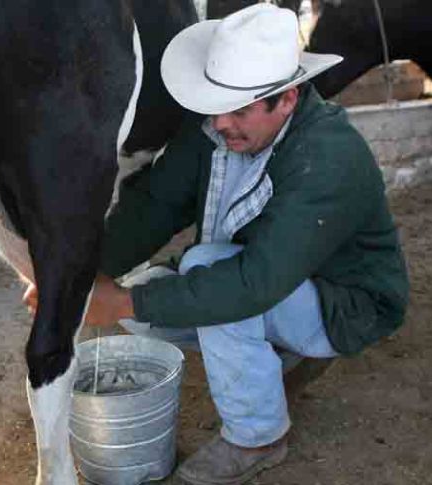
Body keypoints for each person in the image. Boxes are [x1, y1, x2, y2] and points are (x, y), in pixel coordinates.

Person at [24, 4, 409, 484]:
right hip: (274, 282)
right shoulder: (219, 127)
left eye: (241, 111)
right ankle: (284, 356)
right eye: (217, 108)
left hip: (346, 301)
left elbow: (252, 281)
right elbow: (158, 204)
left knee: (198, 275)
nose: (222, 124)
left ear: (286, 100)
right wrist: (79, 274)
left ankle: (258, 438)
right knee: (144, 312)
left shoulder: (329, 155)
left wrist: (120, 297)